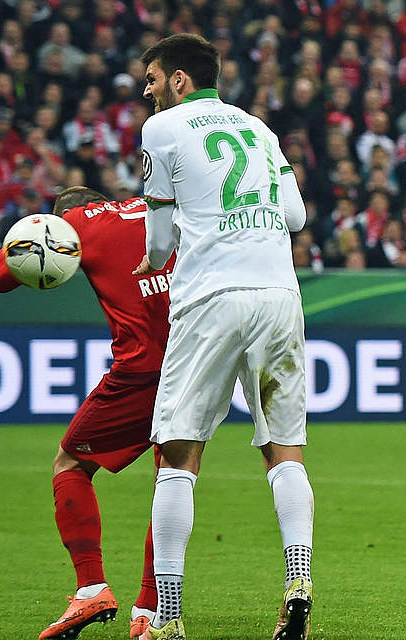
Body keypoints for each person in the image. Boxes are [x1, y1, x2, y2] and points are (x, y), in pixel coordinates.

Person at [132, 33, 312, 640]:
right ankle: (299, 578)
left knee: (178, 459)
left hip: (211, 298)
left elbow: (158, 242)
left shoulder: (161, 129)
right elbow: (296, 218)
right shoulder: (260, 130)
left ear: (180, 79)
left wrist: (151, 259)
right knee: (284, 452)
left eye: (152, 77)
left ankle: (170, 615)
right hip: (280, 297)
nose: (146, 88)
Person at [0, 186, 174, 640]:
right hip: (201, 360)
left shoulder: (79, 223)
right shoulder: (153, 208)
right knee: (172, 477)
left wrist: (48, 233)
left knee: (70, 464)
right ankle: (151, 611)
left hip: (142, 369)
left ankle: (91, 586)